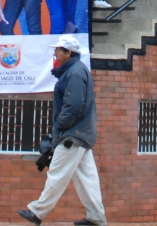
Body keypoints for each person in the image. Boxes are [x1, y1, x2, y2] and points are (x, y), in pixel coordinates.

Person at [18, 35, 107, 226]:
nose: (55, 52)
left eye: (58, 49)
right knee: (88, 179)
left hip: (72, 135)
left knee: (57, 174)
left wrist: (58, 127)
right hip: (81, 134)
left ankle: (37, 212)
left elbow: (73, 106)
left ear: (68, 52)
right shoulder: (77, 70)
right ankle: (96, 218)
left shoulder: (74, 73)